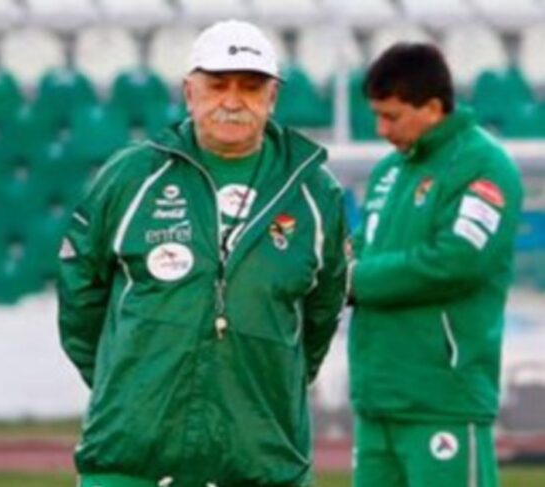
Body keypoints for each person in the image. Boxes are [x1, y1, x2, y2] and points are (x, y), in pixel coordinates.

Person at [58, 19, 347, 487]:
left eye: (250, 87)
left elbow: (322, 313)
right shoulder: (132, 177)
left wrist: (271, 382)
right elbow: (80, 298)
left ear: (273, 97)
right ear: (189, 92)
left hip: (262, 464)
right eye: (217, 85)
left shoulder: (315, 192)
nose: (232, 101)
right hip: (130, 462)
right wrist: (128, 384)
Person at [345, 42, 524, 487]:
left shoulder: (484, 166)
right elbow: (359, 249)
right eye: (376, 115)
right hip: (377, 397)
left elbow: (456, 261)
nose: (381, 129)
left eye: (391, 116)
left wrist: (354, 280)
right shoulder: (389, 172)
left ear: (432, 107)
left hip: (443, 397)